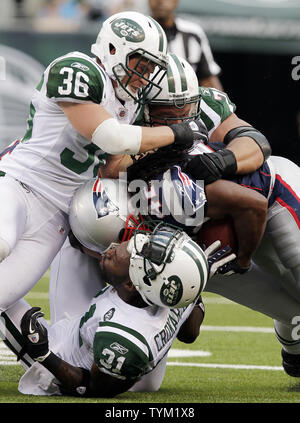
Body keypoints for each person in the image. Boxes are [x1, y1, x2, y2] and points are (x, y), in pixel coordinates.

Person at [71, 54, 300, 377]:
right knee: (286, 305)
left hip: (268, 197)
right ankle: (293, 335)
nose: (178, 118)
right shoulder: (126, 131)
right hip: (195, 229)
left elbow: (256, 147)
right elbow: (110, 168)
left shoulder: (172, 184)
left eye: (184, 109)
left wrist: (225, 163)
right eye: (166, 112)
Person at [0, 11, 210, 314]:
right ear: (113, 48)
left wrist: (165, 155)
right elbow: (111, 137)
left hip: (57, 214)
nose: (146, 73)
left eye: (152, 67)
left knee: (5, 294)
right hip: (22, 182)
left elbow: (112, 165)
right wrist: (175, 133)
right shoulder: (80, 69)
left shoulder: (130, 100)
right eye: (141, 62)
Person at [1, 224, 233, 397]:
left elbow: (90, 388)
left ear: (132, 283)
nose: (115, 248)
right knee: (77, 240)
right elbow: (189, 334)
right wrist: (194, 284)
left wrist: (44, 355)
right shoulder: (170, 291)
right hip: (131, 365)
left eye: (132, 252)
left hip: (62, 359)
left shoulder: (123, 337)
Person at [148, 0, 223, 90]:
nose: (160, 1)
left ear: (176, 1)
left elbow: (208, 79)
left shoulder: (193, 33)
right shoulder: (140, 33)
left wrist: (220, 102)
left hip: (185, 101)